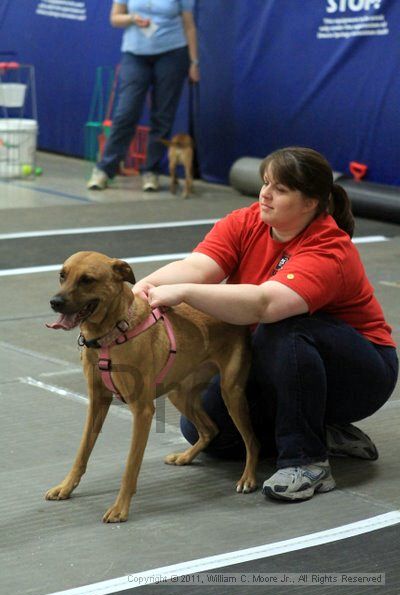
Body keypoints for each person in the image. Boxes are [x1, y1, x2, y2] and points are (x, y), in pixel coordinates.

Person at [132, 147, 398, 502]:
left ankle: (307, 460)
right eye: (265, 182)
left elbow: (265, 305)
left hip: (360, 374)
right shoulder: (246, 221)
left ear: (311, 203)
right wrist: (140, 292)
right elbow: (198, 266)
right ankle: (324, 429)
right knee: (205, 429)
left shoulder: (328, 248)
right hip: (281, 361)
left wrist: (183, 293)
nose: (265, 193)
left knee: (285, 328)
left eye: (281, 189)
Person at [87, 0, 200, 192]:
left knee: (162, 116)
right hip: (135, 54)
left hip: (172, 54)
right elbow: (115, 18)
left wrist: (194, 62)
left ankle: (151, 171)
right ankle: (105, 169)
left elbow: (189, 26)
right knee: (126, 112)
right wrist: (132, 18)